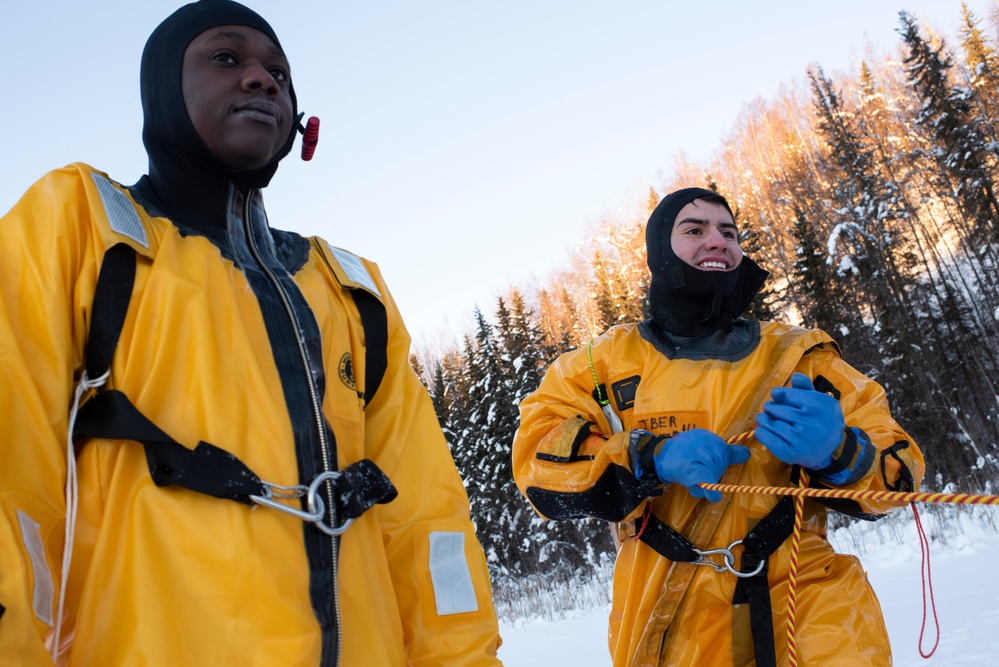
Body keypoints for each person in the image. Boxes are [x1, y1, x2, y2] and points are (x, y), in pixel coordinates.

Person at [0, 1, 502, 665]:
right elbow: (12, 466)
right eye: (225, 58)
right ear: (163, 92)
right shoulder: (84, 228)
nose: (262, 80)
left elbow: (427, 519)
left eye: (279, 73)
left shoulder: (350, 290)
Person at [512, 187, 924, 666]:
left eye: (728, 232)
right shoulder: (599, 363)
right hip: (667, 619)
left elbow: (900, 473)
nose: (717, 241)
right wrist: (649, 457)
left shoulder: (799, 355)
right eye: (694, 229)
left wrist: (842, 452)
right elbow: (539, 461)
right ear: (659, 251)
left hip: (809, 609)